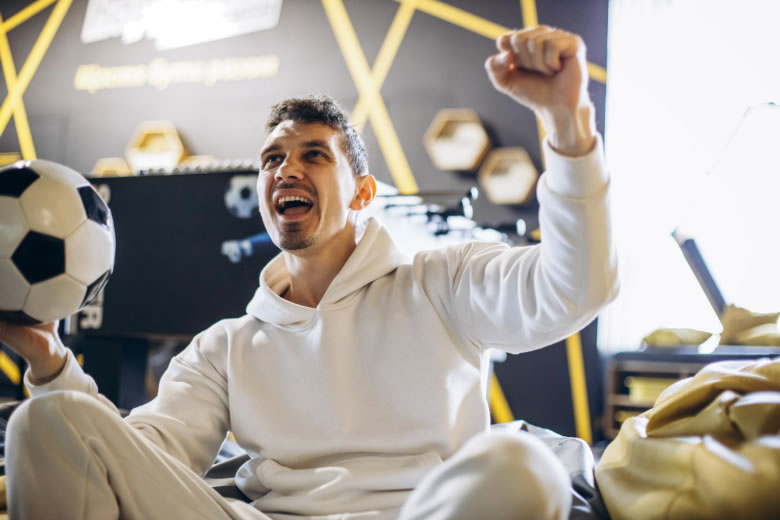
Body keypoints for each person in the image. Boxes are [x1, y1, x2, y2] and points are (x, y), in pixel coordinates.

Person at [0, 25, 618, 520]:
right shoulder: (225, 347)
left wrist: (569, 125)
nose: (284, 171)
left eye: (313, 155)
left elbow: (575, 286)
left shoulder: (443, 283)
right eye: (272, 159)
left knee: (521, 465)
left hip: (422, 512)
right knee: (44, 418)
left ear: (362, 193)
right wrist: (49, 359)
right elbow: (137, 455)